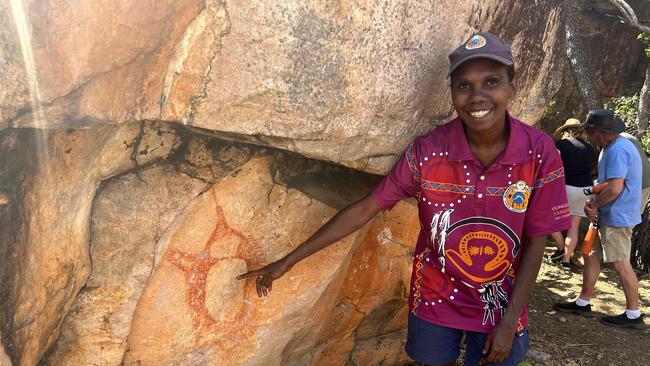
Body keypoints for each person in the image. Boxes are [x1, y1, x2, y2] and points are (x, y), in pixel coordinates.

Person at [238, 32, 571, 365]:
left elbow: (535, 240)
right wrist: (289, 260)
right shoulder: (428, 152)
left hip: (501, 303)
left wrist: (510, 321)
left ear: (512, 86)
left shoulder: (538, 152)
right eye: (464, 86)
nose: (477, 96)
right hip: (436, 296)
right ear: (452, 93)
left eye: (491, 82)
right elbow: (367, 208)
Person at [554, 109, 644, 329]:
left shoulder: (617, 150)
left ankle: (633, 313)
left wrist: (595, 204)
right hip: (607, 213)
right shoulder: (609, 148)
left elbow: (615, 188)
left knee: (620, 262)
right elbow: (610, 182)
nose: (588, 135)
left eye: (590, 131)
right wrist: (593, 193)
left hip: (618, 216)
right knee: (591, 253)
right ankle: (583, 301)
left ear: (596, 131)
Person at [547, 118, 597, 270]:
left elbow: (552, 165)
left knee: (548, 218)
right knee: (573, 226)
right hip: (586, 189)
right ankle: (566, 261)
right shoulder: (590, 148)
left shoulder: (560, 145)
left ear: (564, 131)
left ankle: (562, 248)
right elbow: (593, 170)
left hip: (566, 186)